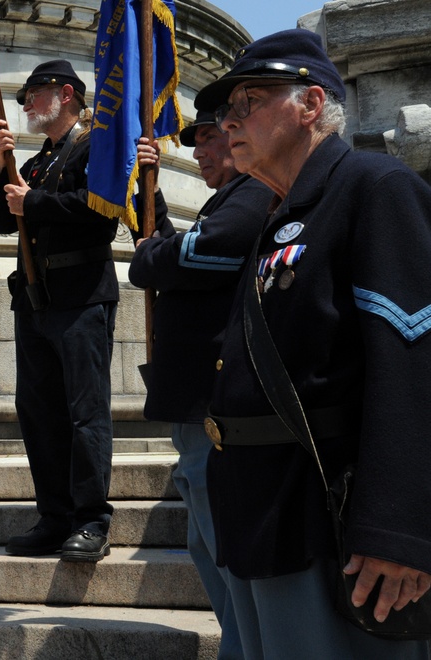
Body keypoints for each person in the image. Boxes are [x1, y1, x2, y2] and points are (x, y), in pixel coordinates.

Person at [194, 29, 431, 659]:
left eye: (249, 101)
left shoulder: (374, 189)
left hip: (331, 525)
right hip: (262, 513)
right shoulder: (284, 214)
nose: (229, 121)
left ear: (310, 104)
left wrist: (399, 529)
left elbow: (412, 366)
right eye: (227, 108)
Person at [0, 59, 166, 561]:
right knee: (38, 411)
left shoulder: (94, 148)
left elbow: (98, 213)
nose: (25, 103)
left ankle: (91, 518)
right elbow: (3, 219)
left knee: (84, 411)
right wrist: (1, 163)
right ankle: (54, 515)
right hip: (35, 298)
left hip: (81, 294)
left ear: (65, 94)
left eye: (33, 93)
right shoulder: (38, 161)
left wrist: (35, 203)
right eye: (23, 95)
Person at [128, 110, 274, 658]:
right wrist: (153, 201)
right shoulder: (226, 199)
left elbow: (184, 259)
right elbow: (173, 254)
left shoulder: (252, 194)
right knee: (206, 545)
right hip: (193, 403)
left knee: (224, 551)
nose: (201, 153)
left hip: (210, 405)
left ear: (239, 135)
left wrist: (152, 259)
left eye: (209, 139)